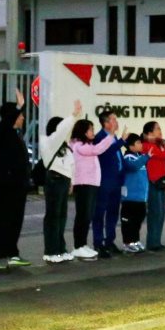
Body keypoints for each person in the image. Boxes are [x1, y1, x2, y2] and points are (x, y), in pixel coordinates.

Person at [0, 90, 33, 270]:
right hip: (5, 184)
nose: (22, 118)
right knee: (3, 220)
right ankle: (0, 256)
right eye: (20, 115)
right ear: (11, 116)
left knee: (16, 219)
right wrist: (18, 106)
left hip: (19, 184)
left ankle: (12, 253)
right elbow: (6, 123)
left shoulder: (16, 134)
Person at [69, 119, 119, 261]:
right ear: (83, 131)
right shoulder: (78, 145)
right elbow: (97, 149)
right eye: (90, 129)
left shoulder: (85, 144)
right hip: (84, 184)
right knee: (83, 215)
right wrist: (111, 135)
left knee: (87, 215)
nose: (93, 132)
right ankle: (78, 246)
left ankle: (82, 244)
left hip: (91, 184)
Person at [40, 101, 83, 263]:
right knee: (53, 216)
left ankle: (60, 248)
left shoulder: (65, 146)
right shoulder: (49, 142)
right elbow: (61, 131)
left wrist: (71, 182)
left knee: (62, 216)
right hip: (54, 180)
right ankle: (50, 251)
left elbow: (71, 165)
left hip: (64, 182)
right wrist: (73, 116)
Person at [91, 110, 126, 259]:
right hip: (104, 181)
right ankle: (98, 243)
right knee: (99, 213)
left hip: (116, 181)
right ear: (105, 123)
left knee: (113, 213)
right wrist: (121, 142)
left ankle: (109, 241)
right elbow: (104, 152)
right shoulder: (99, 137)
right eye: (113, 119)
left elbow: (117, 156)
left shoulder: (114, 137)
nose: (116, 122)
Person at [141, 120, 165, 251]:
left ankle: (157, 241)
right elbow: (163, 156)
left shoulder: (158, 144)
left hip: (160, 181)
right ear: (149, 133)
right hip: (152, 182)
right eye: (157, 129)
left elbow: (164, 162)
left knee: (161, 213)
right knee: (155, 212)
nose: (160, 131)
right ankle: (152, 242)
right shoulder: (147, 145)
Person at [119, 134, 149, 253]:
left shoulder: (140, 156)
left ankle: (135, 240)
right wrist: (146, 157)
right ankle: (128, 242)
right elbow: (133, 167)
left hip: (141, 197)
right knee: (128, 221)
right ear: (131, 146)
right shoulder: (128, 157)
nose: (141, 145)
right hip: (130, 197)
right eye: (138, 143)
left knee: (138, 219)